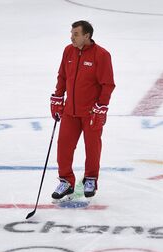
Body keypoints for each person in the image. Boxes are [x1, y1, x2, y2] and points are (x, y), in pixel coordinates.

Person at [50, 20, 115, 199]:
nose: (72, 37)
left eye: (76, 34)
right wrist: (58, 97)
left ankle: (91, 178)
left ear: (87, 36)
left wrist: (101, 107)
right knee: (64, 145)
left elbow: (107, 84)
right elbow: (62, 76)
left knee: (92, 147)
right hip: (70, 111)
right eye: (71, 33)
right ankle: (66, 181)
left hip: (91, 113)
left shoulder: (101, 55)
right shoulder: (68, 51)